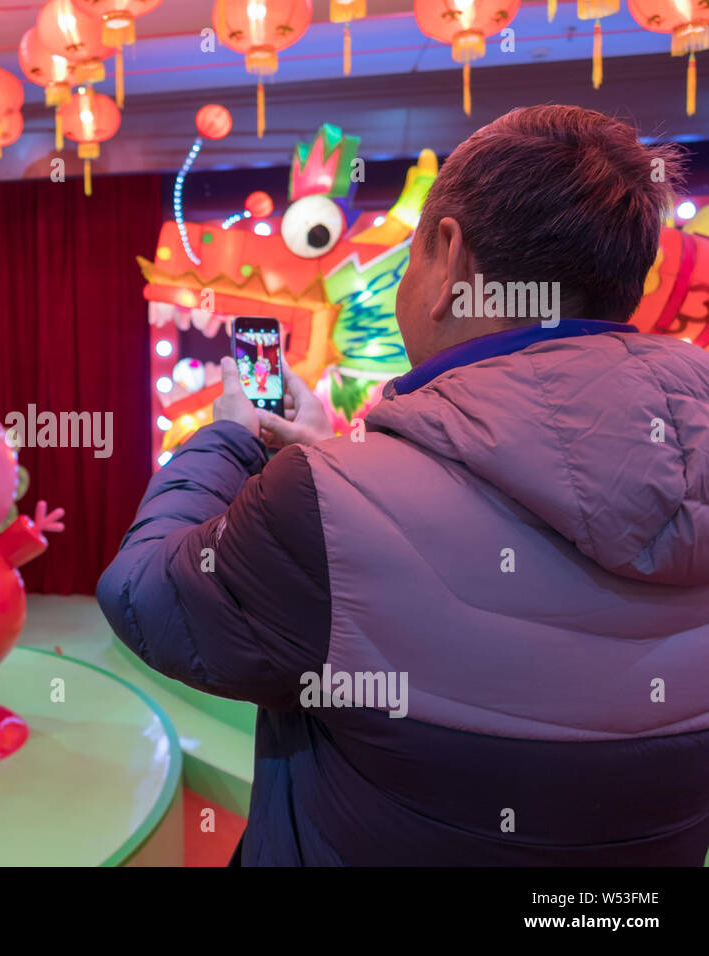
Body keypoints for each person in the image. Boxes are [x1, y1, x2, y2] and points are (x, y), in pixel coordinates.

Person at [97, 105, 709, 865]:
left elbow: (143, 596)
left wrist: (230, 435)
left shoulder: (320, 506)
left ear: (447, 256)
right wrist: (340, 457)